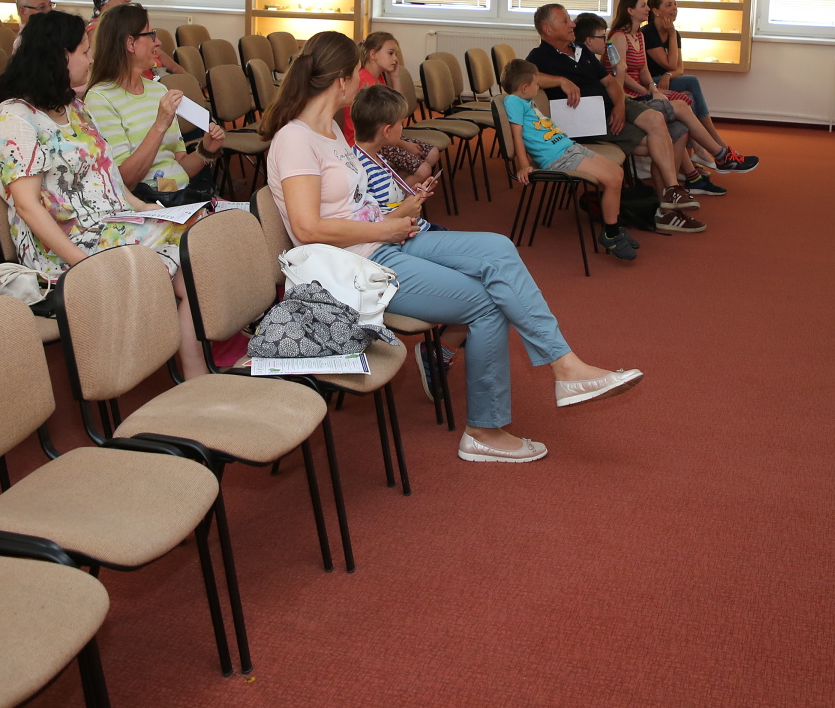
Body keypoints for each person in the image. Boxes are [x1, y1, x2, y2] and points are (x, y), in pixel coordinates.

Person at [265, 31, 643, 465]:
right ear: (340, 80)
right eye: (356, 73)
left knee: (499, 250)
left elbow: (352, 203)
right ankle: (484, 430)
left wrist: (395, 217)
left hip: (380, 241)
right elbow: (307, 227)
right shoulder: (295, 140)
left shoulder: (331, 130)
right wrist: (387, 229)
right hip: (353, 267)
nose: (361, 80)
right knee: (488, 303)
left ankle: (566, 366)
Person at [0, 9, 210, 377]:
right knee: (190, 258)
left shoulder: (74, 107)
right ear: (60, 56)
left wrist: (150, 210)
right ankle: (195, 369)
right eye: (84, 51)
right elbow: (27, 207)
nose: (91, 59)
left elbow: (111, 180)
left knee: (202, 232)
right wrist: (83, 263)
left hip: (110, 224)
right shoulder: (15, 118)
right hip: (65, 246)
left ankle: (197, 365)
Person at [525, 3, 704, 233]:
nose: (572, 25)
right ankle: (668, 205)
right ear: (547, 29)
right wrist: (560, 80)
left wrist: (619, 106)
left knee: (665, 125)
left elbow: (610, 82)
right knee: (669, 134)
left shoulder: (580, 50)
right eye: (565, 21)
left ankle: (670, 194)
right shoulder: (539, 56)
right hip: (590, 121)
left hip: (613, 108)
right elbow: (521, 80)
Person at [610, 0, 756, 187]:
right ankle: (719, 154)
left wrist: (653, 88)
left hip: (645, 89)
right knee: (682, 103)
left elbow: (646, 70)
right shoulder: (620, 37)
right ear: (630, 10)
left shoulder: (639, 36)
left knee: (686, 106)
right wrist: (649, 91)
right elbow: (622, 75)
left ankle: (694, 171)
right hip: (630, 95)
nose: (647, 9)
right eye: (643, 6)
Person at [82, 3, 225, 197]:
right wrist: (160, 125)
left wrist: (206, 151)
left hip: (179, 196)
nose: (158, 43)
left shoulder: (158, 90)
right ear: (130, 44)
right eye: (151, 35)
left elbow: (180, 167)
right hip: (149, 203)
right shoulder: (100, 99)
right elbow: (125, 181)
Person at [501, 58, 636, 260]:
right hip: (557, 157)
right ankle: (611, 234)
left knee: (617, 172)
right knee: (612, 180)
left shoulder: (526, 101)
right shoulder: (513, 101)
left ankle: (615, 226)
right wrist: (523, 165)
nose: (538, 87)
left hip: (568, 147)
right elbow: (517, 136)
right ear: (524, 87)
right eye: (536, 84)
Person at [338, 31, 440, 183]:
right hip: (367, 140)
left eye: (395, 54)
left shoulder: (379, 76)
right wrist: (405, 145)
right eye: (390, 53)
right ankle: (393, 194)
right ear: (373, 54)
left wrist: (395, 77)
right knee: (423, 169)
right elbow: (377, 129)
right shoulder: (365, 82)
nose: (395, 59)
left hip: (384, 134)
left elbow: (398, 110)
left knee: (432, 153)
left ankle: (394, 185)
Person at [350, 84, 444, 233]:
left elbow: (387, 204)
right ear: (387, 131)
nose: (402, 128)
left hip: (417, 227)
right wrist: (405, 210)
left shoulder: (375, 157)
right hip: (408, 235)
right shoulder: (360, 170)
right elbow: (372, 227)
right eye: (401, 123)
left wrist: (411, 197)